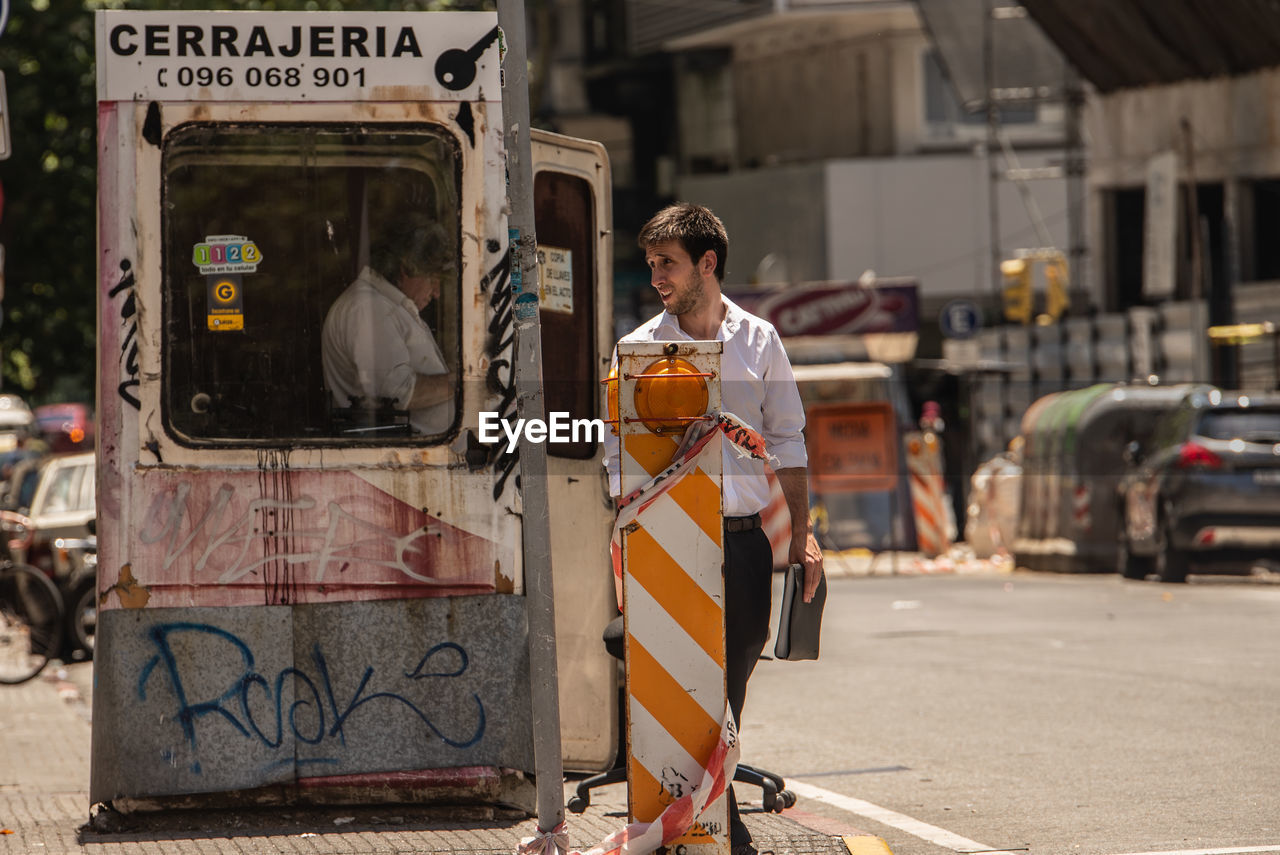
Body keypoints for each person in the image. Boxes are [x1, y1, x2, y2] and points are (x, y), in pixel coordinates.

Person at [603, 203, 824, 855]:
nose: (656, 277)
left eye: (666, 263)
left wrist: (805, 536)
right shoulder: (640, 350)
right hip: (669, 545)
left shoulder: (760, 341)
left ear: (708, 263)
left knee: (733, 674)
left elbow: (788, 441)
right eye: (650, 264)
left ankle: (704, 804)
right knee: (692, 686)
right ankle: (711, 817)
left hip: (744, 539)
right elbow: (617, 455)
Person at [322, 216, 456, 436]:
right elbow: (399, 394)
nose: (437, 292)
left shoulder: (387, 305)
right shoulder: (369, 308)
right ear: (405, 267)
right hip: (407, 459)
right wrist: (465, 382)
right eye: (432, 279)